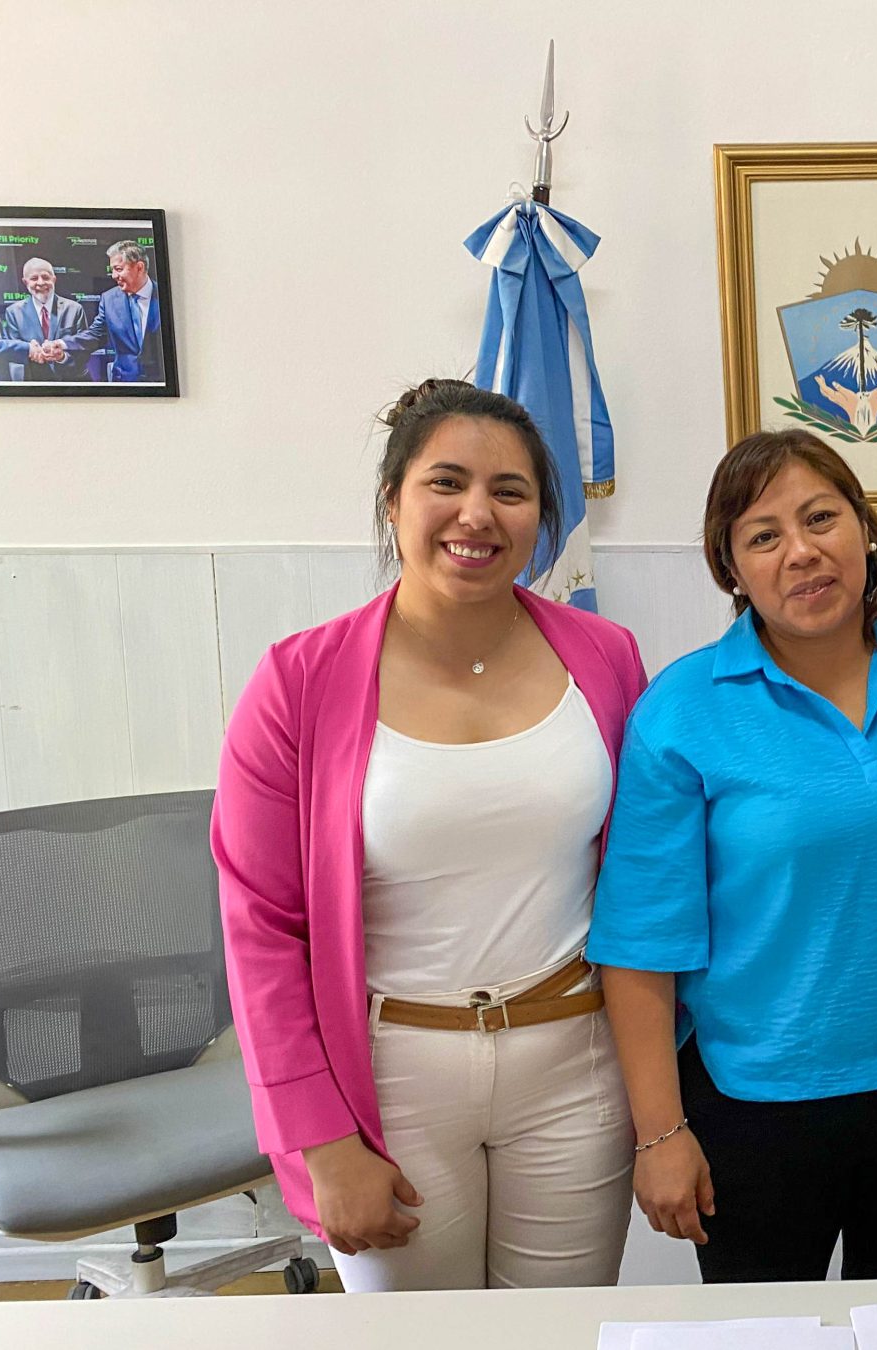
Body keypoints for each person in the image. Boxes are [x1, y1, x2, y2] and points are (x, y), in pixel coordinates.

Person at [213, 379, 645, 1291]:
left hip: (576, 1067)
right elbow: (261, 929)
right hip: (392, 1083)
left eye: (511, 491)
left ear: (541, 516)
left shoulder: (605, 658)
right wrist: (323, 1142)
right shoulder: (298, 681)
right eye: (445, 482)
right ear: (394, 500)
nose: (476, 514)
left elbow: (645, 876)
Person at [588, 429, 877, 1284]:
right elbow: (640, 944)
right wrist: (661, 1132)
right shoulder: (681, 710)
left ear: (864, 528)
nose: (802, 552)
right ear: (732, 570)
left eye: (821, 517)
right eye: (763, 536)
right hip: (753, 1109)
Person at [61, 240, 164, 382]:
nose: (114, 275)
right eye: (113, 270)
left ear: (139, 267)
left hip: (165, 386)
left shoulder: (168, 296)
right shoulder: (109, 299)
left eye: (119, 269)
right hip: (124, 383)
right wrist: (62, 344)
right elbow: (96, 335)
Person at [2, 257, 87, 381]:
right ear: (25, 282)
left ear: (54, 279)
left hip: (69, 383)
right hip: (31, 384)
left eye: (46, 277)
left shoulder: (74, 309)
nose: (41, 283)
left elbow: (83, 349)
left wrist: (61, 357)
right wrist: (30, 350)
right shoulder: (13, 312)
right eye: (34, 278)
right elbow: (13, 351)